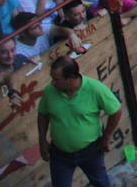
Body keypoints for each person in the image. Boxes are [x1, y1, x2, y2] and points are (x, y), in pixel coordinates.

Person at [37, 56, 123, 187]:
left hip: (90, 151)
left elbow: (116, 111)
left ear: (71, 78)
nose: (52, 83)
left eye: (56, 79)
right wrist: (42, 141)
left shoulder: (95, 89)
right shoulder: (50, 91)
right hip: (60, 154)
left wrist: (106, 137)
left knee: (101, 183)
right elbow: (42, 115)